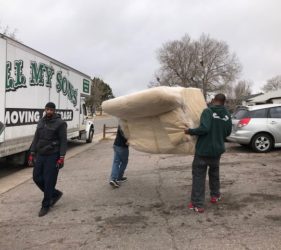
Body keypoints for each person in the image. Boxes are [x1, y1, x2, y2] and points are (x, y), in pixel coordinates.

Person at [185, 93, 232, 213]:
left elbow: (204, 128)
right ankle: (215, 196)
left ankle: (197, 204)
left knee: (199, 176)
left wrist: (189, 131)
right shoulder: (227, 114)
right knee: (214, 173)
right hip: (217, 151)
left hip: (204, 151)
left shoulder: (208, 111)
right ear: (224, 102)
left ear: (213, 100)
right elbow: (228, 132)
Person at [28, 102, 67, 217]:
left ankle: (46, 205)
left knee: (49, 180)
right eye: (47, 109)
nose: (49, 111)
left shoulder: (60, 124)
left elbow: (63, 141)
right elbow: (36, 137)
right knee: (36, 177)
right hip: (41, 154)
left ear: (54, 110)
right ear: (45, 109)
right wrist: (32, 152)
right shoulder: (41, 121)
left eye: (51, 109)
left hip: (53, 155)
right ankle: (55, 194)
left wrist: (61, 157)